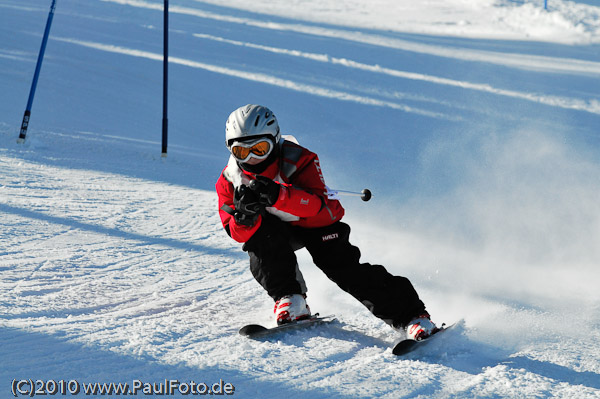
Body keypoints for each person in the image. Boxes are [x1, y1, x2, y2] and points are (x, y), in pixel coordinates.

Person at [215, 104, 438, 340]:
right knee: (259, 241)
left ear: (275, 140)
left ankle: (412, 316)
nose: (251, 159)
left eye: (260, 149)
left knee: (342, 268)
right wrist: (244, 218)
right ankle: (291, 299)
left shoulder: (298, 160)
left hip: (317, 223)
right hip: (276, 231)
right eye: (241, 152)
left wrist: (279, 195)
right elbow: (237, 232)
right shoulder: (230, 180)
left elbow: (317, 206)